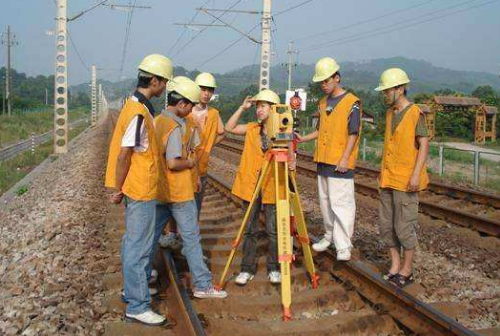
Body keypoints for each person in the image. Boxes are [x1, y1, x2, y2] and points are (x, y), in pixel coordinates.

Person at [104, 54, 172, 326]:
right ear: (153, 81)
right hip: (140, 189)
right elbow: (124, 155)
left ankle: (132, 291)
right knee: (138, 247)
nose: (164, 87)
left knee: (134, 243)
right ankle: (137, 304)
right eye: (163, 82)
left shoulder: (135, 107)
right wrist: (117, 188)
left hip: (139, 187)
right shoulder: (138, 113)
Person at [150, 76, 228, 299]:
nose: (191, 110)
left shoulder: (158, 121)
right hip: (179, 192)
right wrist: (191, 163)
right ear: (182, 103)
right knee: (192, 239)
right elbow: (174, 162)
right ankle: (203, 285)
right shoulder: (174, 126)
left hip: (161, 190)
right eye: (190, 105)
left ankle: (144, 277)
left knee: (150, 236)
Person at [298, 57, 361, 261]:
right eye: (321, 82)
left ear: (337, 77)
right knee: (325, 203)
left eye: (326, 80)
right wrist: (303, 138)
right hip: (323, 160)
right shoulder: (323, 102)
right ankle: (329, 236)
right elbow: (321, 130)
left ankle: (343, 245)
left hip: (340, 163)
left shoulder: (352, 103)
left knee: (341, 204)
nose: (323, 85)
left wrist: (344, 158)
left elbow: (353, 133)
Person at [225, 89, 288, 286]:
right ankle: (247, 268)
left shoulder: (281, 131)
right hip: (250, 185)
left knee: (273, 230)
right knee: (249, 229)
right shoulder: (251, 128)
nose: (258, 110)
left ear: (273, 108)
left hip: (271, 184)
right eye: (257, 106)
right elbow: (229, 127)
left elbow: (288, 154)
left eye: (262, 106)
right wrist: (242, 108)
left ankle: (274, 268)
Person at [375, 68, 429, 287]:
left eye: (387, 90)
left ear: (400, 88)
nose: (385, 94)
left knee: (404, 227)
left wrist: (416, 174)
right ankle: (395, 265)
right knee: (386, 226)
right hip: (388, 178)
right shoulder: (390, 114)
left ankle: (407, 270)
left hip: (406, 180)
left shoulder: (415, 113)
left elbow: (424, 144)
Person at [159, 72, 225, 249]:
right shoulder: (184, 114)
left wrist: (208, 146)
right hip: (182, 167)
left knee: (193, 208)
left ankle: (188, 244)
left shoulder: (213, 113)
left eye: (210, 90)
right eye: (203, 89)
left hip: (199, 167)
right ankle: (174, 235)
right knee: (175, 204)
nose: (206, 93)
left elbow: (222, 131)